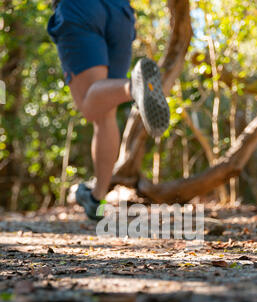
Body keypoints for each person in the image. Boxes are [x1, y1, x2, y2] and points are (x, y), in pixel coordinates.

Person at [48, 0, 170, 219]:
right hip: (119, 12)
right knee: (106, 112)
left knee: (90, 106)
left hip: (81, 9)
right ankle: (97, 199)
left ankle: (134, 87)